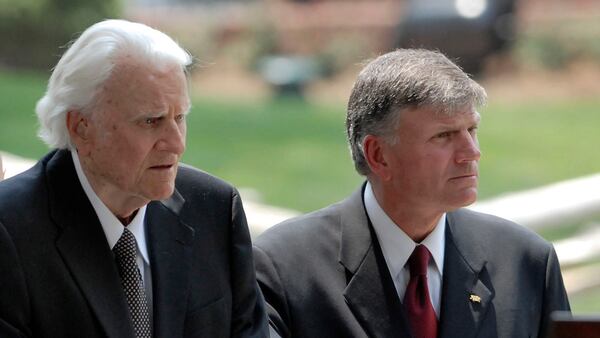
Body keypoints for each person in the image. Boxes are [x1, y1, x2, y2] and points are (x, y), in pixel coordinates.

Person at [253, 49, 570, 338]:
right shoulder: (283, 268)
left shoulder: (525, 262)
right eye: (444, 136)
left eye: (471, 130)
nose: (471, 153)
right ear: (378, 155)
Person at [0, 19, 267, 338]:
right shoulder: (11, 232)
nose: (177, 143)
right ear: (81, 127)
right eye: (151, 121)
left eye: (179, 117)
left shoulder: (215, 209)